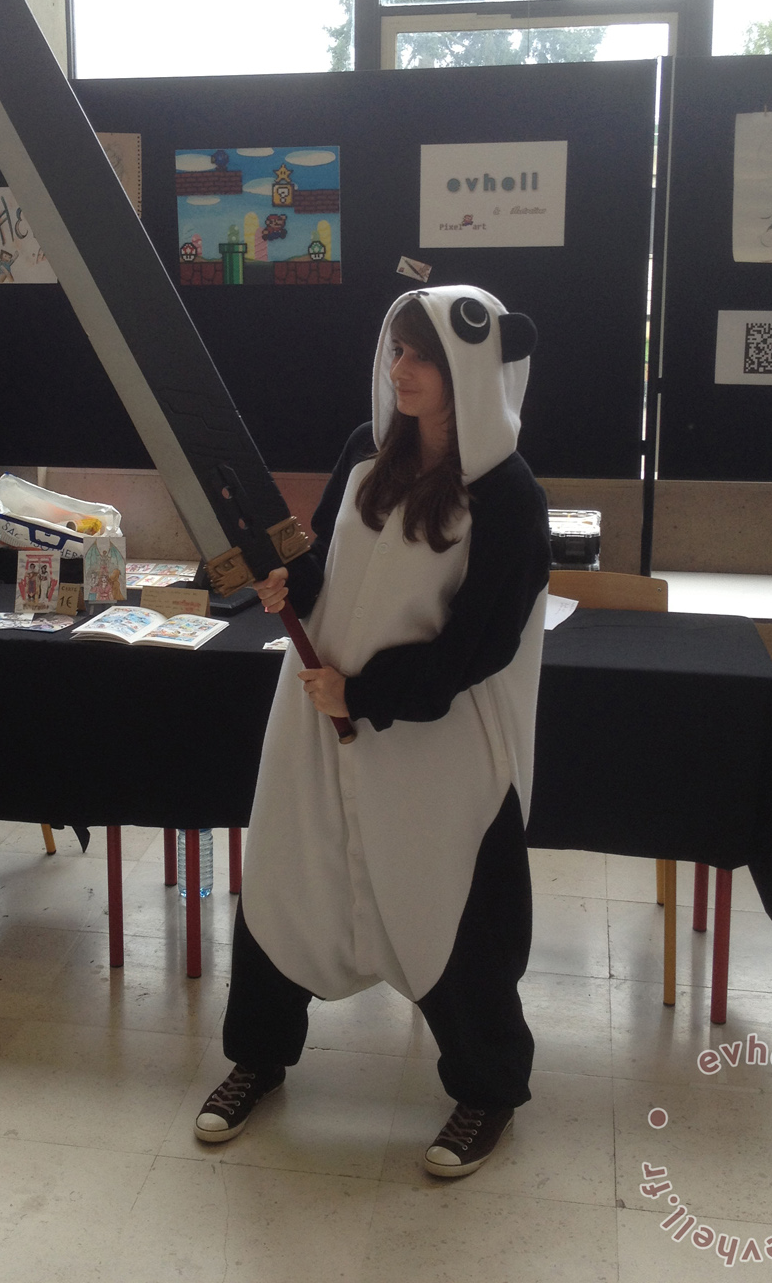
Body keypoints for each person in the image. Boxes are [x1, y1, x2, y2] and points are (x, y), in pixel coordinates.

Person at [194, 284, 550, 1177]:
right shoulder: (367, 452)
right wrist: (290, 589)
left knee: (446, 910)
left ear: (470, 365)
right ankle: (258, 1057)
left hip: (433, 747)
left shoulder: (507, 497)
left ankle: (488, 1087)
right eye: (395, 351)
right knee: (287, 880)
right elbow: (325, 566)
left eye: (422, 355)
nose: (401, 371)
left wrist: (368, 693)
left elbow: (480, 644)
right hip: (317, 715)